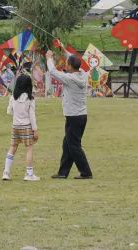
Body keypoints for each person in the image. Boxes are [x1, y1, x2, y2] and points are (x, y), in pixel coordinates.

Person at [45, 49, 93, 180]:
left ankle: (86, 172)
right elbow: (73, 58)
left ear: (71, 67)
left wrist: (49, 57)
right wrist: (61, 49)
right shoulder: (82, 74)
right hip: (80, 116)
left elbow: (53, 72)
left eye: (67, 64)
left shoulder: (70, 78)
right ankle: (63, 172)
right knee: (67, 144)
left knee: (73, 145)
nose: (65, 65)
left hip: (74, 117)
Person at [3, 74, 40, 182]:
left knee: (12, 147)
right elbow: (32, 116)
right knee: (29, 149)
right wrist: (35, 130)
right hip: (27, 126)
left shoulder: (13, 97)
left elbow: (9, 111)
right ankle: (29, 173)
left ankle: (6, 172)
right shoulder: (30, 99)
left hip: (15, 126)